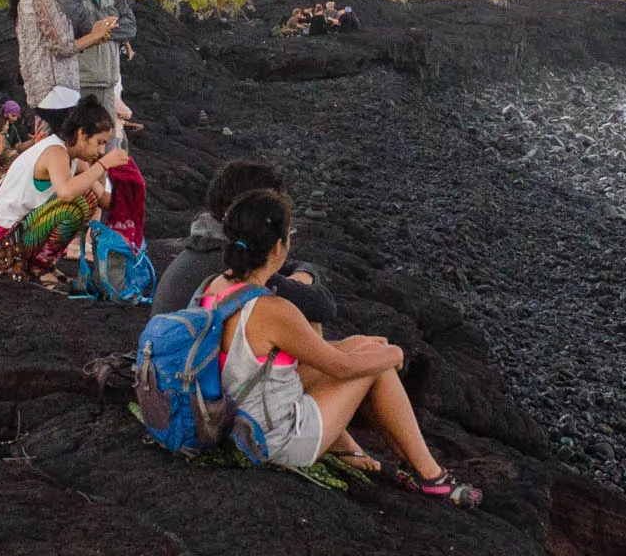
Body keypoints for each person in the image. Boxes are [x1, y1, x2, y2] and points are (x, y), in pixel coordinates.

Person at [200, 190, 480, 505]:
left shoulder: (218, 285)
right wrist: (393, 354)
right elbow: (339, 368)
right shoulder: (272, 309)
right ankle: (431, 476)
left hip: (239, 410)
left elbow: (282, 353)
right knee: (378, 365)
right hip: (273, 438)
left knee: (361, 346)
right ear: (279, 246)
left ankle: (407, 460)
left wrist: (357, 347)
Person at [152, 158, 335, 323]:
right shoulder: (234, 268)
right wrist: (301, 279)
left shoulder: (209, 248)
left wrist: (303, 274)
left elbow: (292, 269)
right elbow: (321, 307)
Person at [0, 94, 126, 286]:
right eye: (99, 142)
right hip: (4, 241)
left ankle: (44, 265)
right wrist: (102, 166)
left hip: (19, 233)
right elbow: (66, 192)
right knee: (75, 204)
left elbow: (102, 199)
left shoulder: (74, 159)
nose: (101, 151)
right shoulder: (55, 152)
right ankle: (39, 267)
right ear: (82, 135)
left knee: (88, 197)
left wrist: (130, 195)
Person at [53, 0, 138, 141]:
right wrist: (104, 25)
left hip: (107, 84)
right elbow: (79, 24)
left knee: (108, 151)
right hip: (76, 86)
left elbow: (130, 27)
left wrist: (101, 30)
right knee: (80, 153)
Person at [10, 0, 114, 114]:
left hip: (40, 89)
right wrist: (95, 35)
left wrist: (94, 40)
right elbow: (62, 47)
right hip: (56, 90)